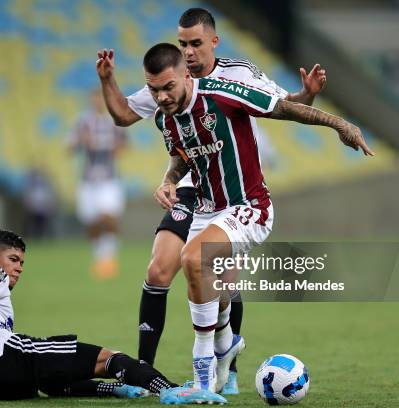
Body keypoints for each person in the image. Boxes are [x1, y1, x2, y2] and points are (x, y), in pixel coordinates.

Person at [96, 7, 327, 394]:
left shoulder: (237, 74)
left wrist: (307, 96)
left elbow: (280, 103)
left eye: (195, 44)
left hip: (232, 189)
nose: (187, 51)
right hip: (190, 186)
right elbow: (123, 114)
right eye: (182, 43)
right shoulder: (167, 79)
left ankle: (227, 371)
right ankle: (145, 371)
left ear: (213, 42)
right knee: (158, 271)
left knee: (218, 278)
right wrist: (108, 81)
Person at [142, 43, 372, 392]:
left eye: (167, 87)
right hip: (207, 209)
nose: (160, 97)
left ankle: (203, 376)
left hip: (250, 206)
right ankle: (224, 345)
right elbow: (182, 157)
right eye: (153, 89)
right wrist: (168, 181)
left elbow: (285, 108)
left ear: (186, 76)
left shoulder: (224, 94)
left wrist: (340, 125)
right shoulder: (165, 119)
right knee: (210, 286)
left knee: (193, 258)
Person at [0, 229, 227, 404]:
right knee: (106, 357)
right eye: (14, 260)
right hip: (1, 359)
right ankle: (172, 391)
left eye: (21, 263)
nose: (18, 270)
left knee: (52, 382)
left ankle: (117, 389)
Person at [70, 89, 127, 279]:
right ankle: (99, 258)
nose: (97, 102)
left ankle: (109, 259)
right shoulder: (82, 122)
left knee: (108, 217)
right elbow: (70, 147)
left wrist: (111, 146)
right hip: (87, 180)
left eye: (99, 98)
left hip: (109, 178)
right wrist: (81, 142)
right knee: (92, 222)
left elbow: (124, 145)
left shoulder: (114, 121)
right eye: (93, 98)